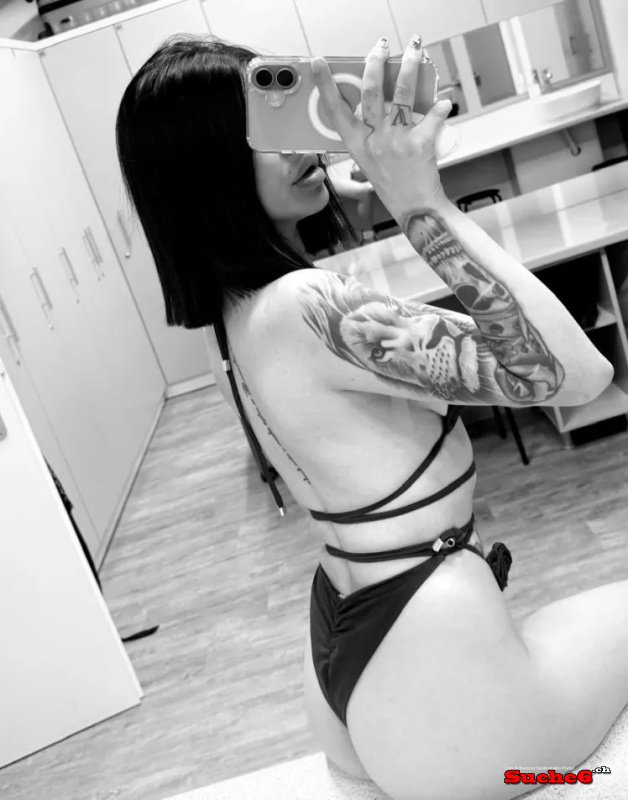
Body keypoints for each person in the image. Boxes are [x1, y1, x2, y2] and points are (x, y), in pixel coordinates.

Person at [115, 33, 628, 800]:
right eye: (261, 133)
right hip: (426, 647)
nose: (297, 144)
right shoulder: (305, 305)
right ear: (208, 171)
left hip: (352, 633)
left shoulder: (238, 315)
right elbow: (577, 374)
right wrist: (420, 202)